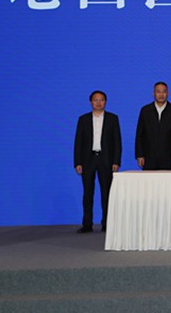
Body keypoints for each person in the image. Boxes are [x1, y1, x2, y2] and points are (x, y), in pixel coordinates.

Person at [73, 90, 121, 234]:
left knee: (106, 193)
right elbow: (78, 142)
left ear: (105, 102)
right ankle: (87, 224)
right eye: (95, 100)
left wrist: (116, 161)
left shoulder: (113, 118)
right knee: (88, 193)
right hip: (88, 159)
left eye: (101, 100)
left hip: (106, 159)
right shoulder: (83, 119)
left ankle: (106, 223)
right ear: (90, 102)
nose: (98, 103)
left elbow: (117, 142)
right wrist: (78, 162)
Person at [134, 81, 171, 170]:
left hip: (168, 158)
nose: (161, 95)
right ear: (153, 93)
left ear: (168, 93)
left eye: (164, 91)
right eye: (158, 91)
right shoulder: (145, 110)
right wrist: (139, 155)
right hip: (149, 157)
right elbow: (139, 134)